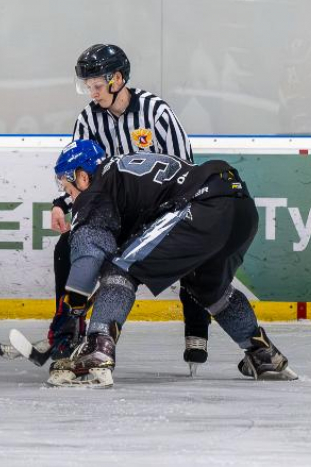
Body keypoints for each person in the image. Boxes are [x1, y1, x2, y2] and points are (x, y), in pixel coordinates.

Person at [47, 140, 297, 388]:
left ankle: (98, 351)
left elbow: (89, 255)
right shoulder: (119, 172)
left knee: (120, 268)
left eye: (67, 185)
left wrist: (71, 311)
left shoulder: (95, 192)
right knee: (207, 287)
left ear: (82, 177)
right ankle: (262, 353)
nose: (68, 194)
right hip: (239, 204)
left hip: (201, 205)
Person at [46, 44, 211, 372]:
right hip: (114, 216)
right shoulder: (88, 119)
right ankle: (67, 327)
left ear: (118, 78)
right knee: (67, 248)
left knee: (195, 254)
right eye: (87, 86)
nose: (91, 93)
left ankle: (197, 330)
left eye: (96, 85)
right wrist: (61, 204)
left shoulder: (156, 113)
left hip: (160, 211)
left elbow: (185, 170)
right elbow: (77, 172)